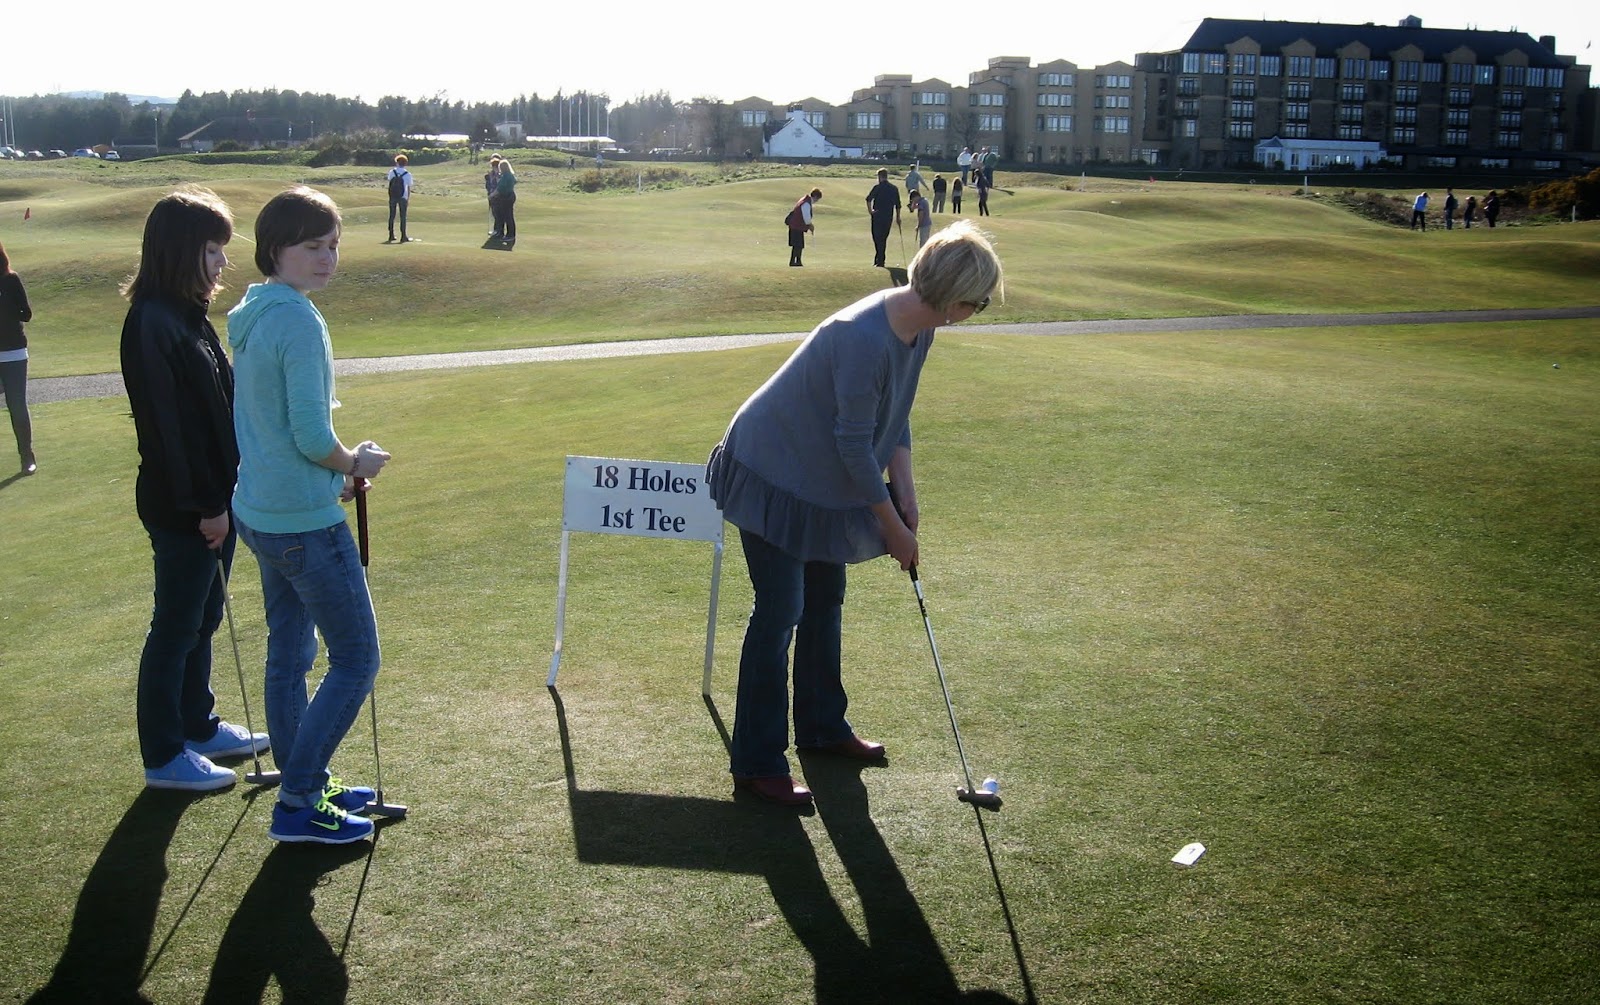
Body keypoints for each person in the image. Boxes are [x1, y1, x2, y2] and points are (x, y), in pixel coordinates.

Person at [705, 220, 1003, 806]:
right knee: (781, 608)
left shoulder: (923, 327)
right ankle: (757, 762)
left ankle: (821, 726)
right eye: (979, 300)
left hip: (820, 479)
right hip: (771, 469)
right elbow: (851, 443)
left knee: (825, 597)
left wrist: (907, 492)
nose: (978, 309)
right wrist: (891, 529)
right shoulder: (862, 336)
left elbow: (895, 412)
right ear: (950, 294)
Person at [228, 186, 392, 844]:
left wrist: (336, 472)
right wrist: (353, 463)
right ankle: (298, 795)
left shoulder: (256, 308)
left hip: (262, 511)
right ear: (277, 251)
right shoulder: (295, 318)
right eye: (311, 246)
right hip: (300, 519)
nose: (326, 258)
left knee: (290, 655)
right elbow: (308, 433)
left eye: (333, 246)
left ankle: (303, 775)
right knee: (356, 657)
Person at [118, 186, 270, 792]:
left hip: (213, 501)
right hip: (185, 505)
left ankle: (197, 726)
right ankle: (164, 754)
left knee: (203, 617)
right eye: (212, 250)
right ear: (182, 252)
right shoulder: (153, 323)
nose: (221, 263)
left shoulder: (187, 316)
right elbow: (167, 433)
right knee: (177, 625)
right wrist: (206, 508)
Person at [0, 241, 36, 475]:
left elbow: (27, 314)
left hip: (13, 352)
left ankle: (27, 457)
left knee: (17, 407)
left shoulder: (11, 280)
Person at [865, 168, 902, 268]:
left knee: (877, 238)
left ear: (879, 177)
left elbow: (868, 199)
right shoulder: (894, 188)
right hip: (888, 217)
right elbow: (898, 205)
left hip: (877, 216)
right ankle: (879, 260)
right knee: (883, 238)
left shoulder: (877, 187)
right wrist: (898, 217)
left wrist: (870, 211)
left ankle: (880, 261)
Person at [787, 188, 822, 267]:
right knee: (798, 245)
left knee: (798, 245)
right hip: (796, 226)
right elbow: (806, 218)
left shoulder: (804, 200)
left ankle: (796, 261)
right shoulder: (806, 203)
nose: (817, 201)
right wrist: (810, 225)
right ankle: (794, 262)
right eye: (817, 199)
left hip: (795, 226)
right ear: (815, 197)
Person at [384, 154, 414, 244]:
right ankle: (403, 236)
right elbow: (408, 187)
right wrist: (408, 198)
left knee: (392, 216)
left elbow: (390, 182)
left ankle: (391, 235)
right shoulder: (407, 174)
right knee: (403, 217)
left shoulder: (392, 172)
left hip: (393, 196)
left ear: (397, 162)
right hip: (403, 196)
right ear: (405, 163)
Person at [495, 159, 518, 245]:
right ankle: (508, 234)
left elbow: (500, 188)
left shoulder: (506, 176)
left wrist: (493, 195)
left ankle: (510, 235)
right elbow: (515, 181)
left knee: (508, 216)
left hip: (506, 197)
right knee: (507, 216)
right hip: (510, 195)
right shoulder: (509, 175)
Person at [485, 155, 503, 240]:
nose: (493, 167)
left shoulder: (500, 174)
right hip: (491, 195)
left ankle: (498, 231)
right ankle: (495, 230)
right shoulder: (490, 174)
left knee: (498, 214)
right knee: (494, 213)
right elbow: (488, 185)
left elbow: (499, 185)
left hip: (498, 196)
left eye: (495, 166)